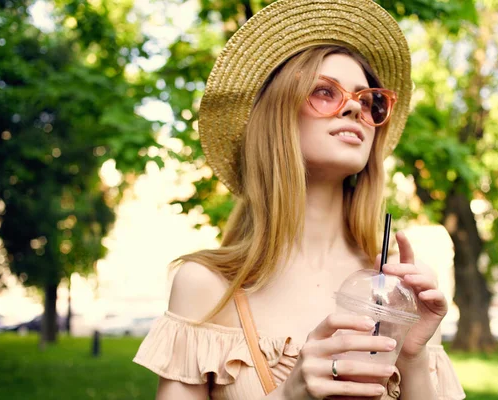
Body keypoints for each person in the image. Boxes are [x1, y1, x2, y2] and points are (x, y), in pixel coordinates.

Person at [133, 0, 465, 399]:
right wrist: (290, 394)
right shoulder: (206, 286)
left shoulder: (400, 285)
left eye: (368, 99)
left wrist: (412, 359)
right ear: (278, 116)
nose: (355, 107)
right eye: (325, 92)